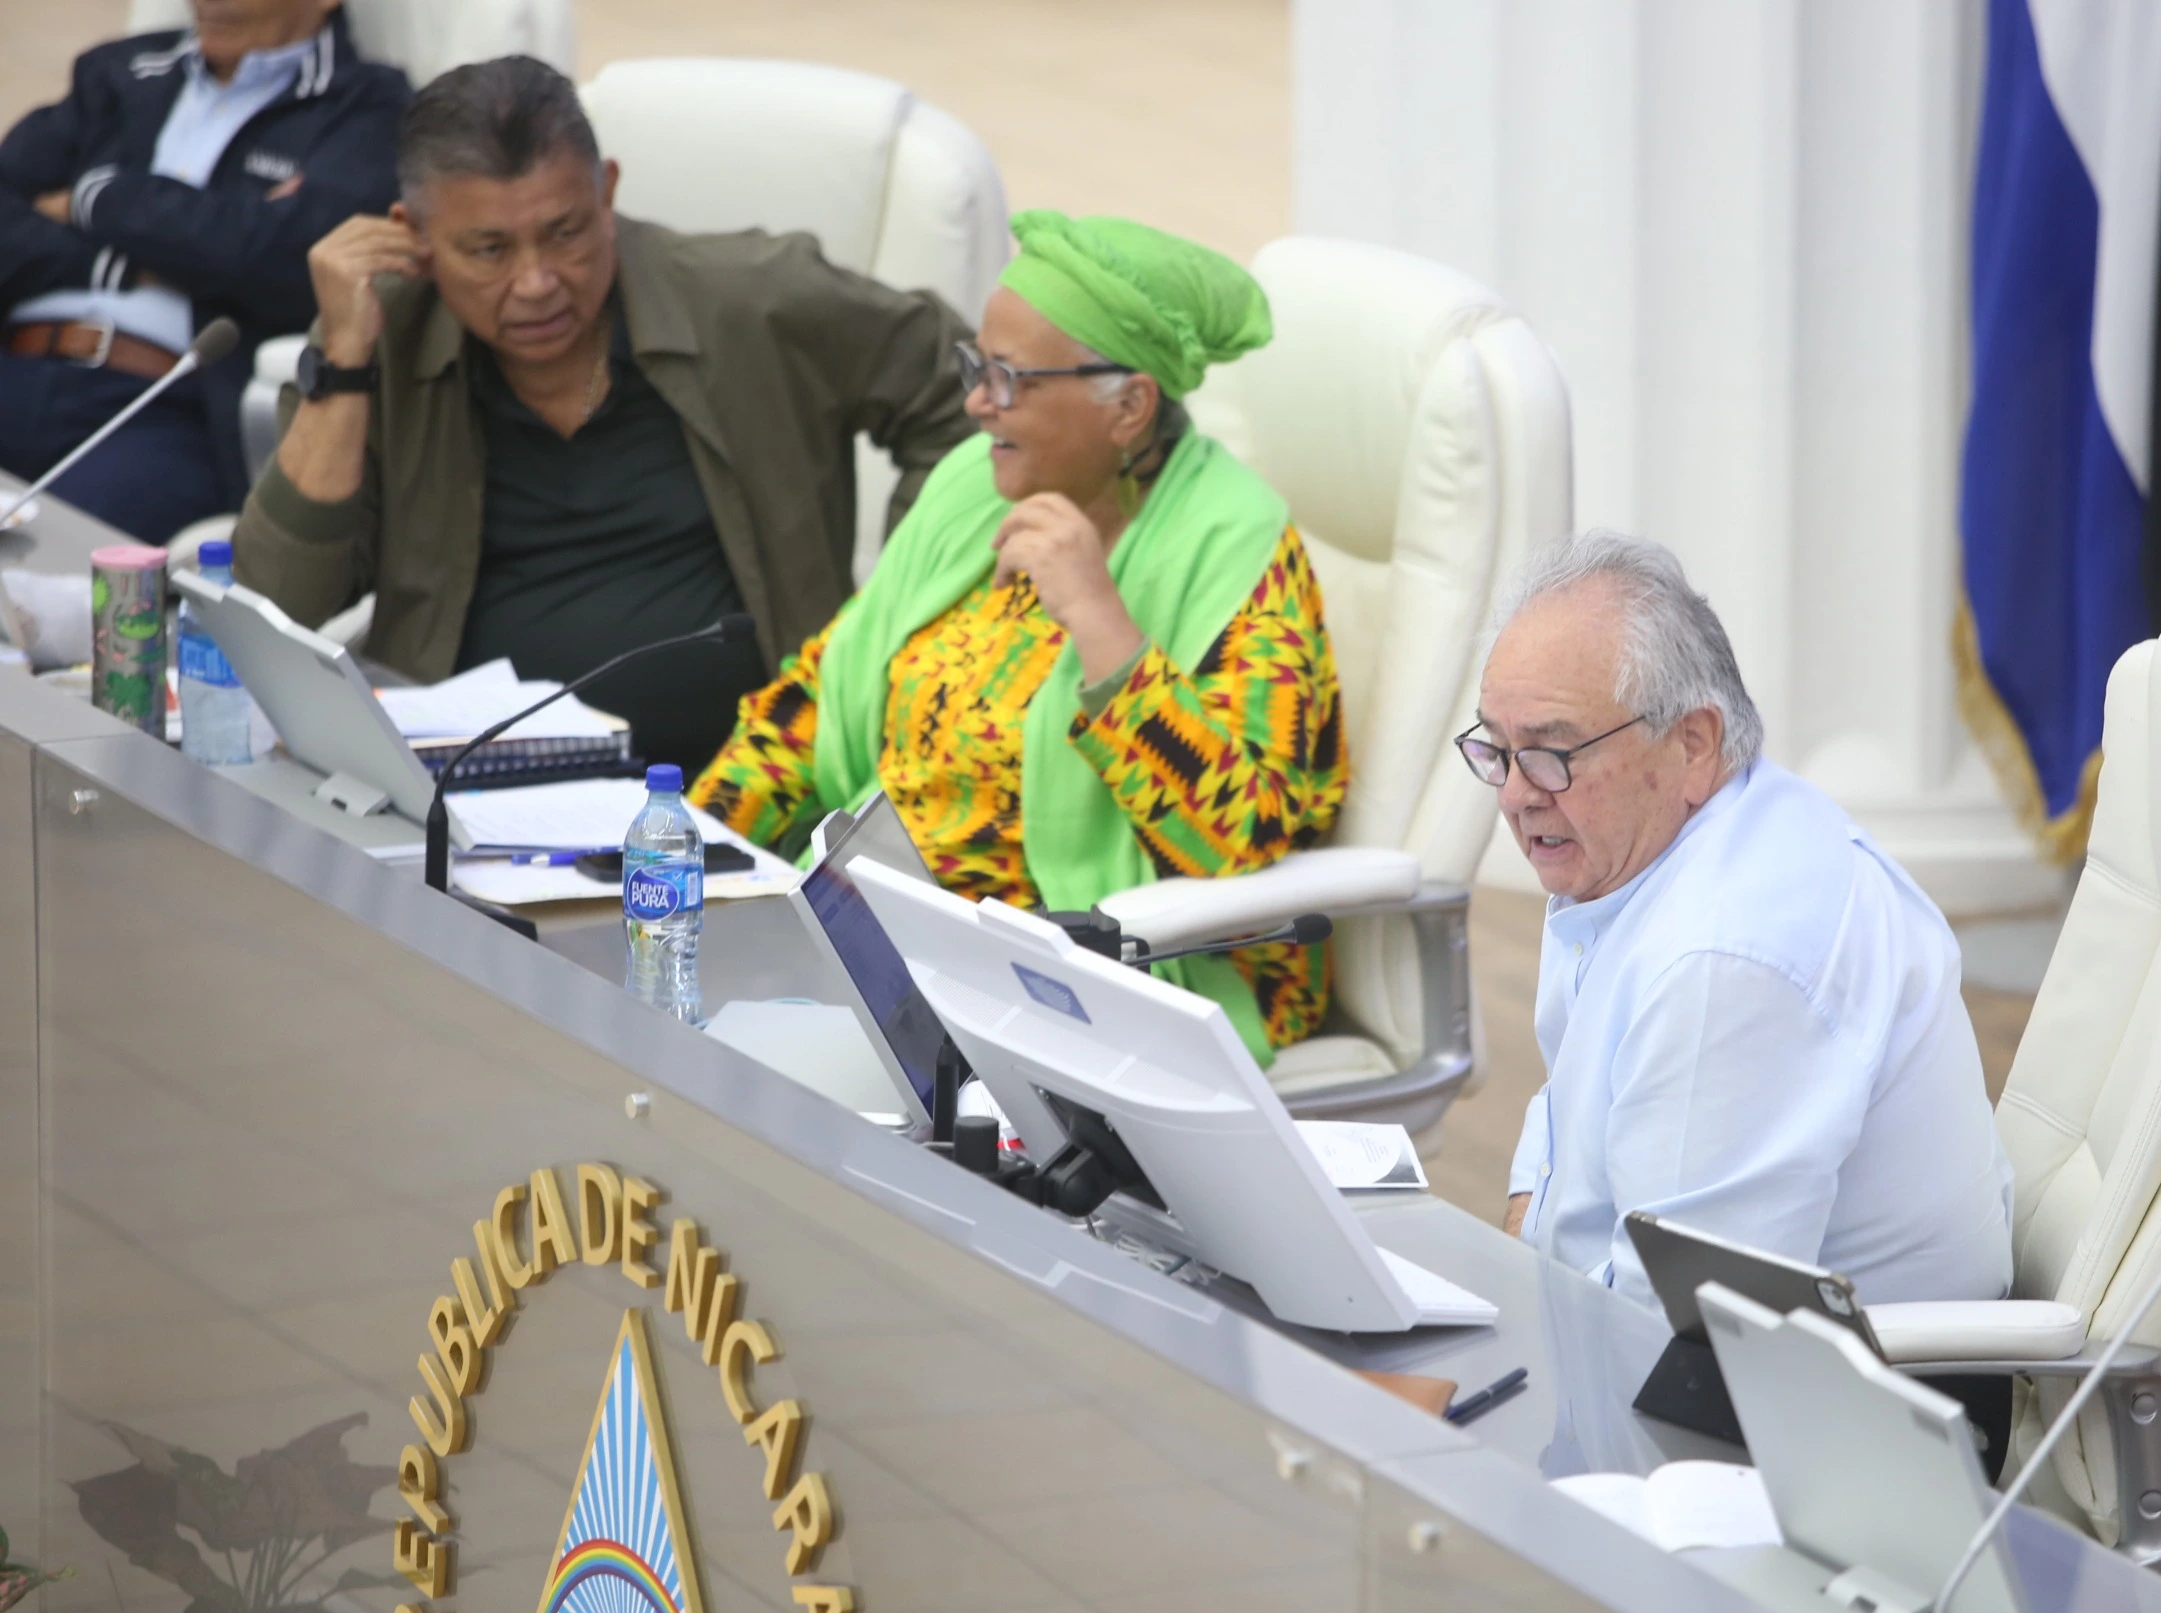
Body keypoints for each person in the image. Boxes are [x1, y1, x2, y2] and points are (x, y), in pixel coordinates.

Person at [692, 211, 1345, 1062]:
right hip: (880, 941)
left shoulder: (1239, 547)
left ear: (1128, 406)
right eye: (975, 366)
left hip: (1085, 984)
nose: (974, 402)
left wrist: (1102, 624)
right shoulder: (974, 486)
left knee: (733, 1077)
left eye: (1008, 378)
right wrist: (686, 858)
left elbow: (1247, 840)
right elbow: (817, 698)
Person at [230, 57, 976, 773]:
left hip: (737, 790)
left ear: (607, 192)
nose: (537, 283)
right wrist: (343, 364)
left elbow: (970, 390)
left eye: (567, 232)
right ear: (413, 236)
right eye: (488, 250)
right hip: (457, 786)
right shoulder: (378, 334)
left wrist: (899, 614)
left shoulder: (749, 299)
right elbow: (277, 604)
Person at [1480, 531, 2013, 1310]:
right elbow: (1566, 1121)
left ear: (1693, 743)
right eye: (1496, 750)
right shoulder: (1659, 838)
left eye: (1552, 752)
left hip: (1832, 1417)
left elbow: (1668, 1333)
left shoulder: (1724, 963)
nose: (1515, 794)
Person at [0, 0, 406, 542]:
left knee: (56, 576)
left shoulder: (367, 105)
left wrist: (95, 196)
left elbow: (284, 258)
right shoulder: (120, 71)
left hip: (161, 409)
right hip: (14, 362)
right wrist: (116, 266)